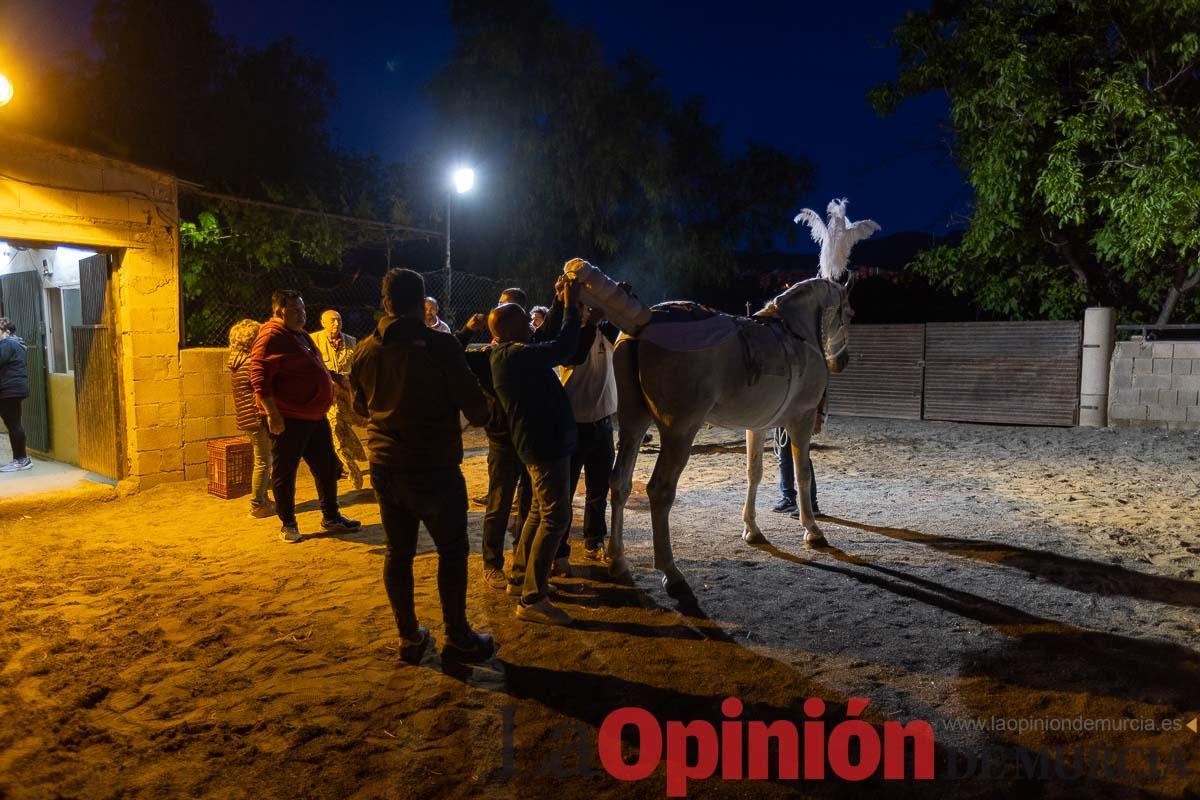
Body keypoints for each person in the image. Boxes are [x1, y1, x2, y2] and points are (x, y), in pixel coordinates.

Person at [350, 268, 495, 663]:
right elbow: (477, 411)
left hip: (385, 465)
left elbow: (360, 408)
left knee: (398, 552)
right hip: (435, 467)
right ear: (422, 302)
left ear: (386, 303)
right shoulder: (441, 346)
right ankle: (458, 636)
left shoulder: (364, 350)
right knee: (452, 549)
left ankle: (409, 637)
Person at [489, 279, 581, 625]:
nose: (532, 323)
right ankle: (533, 598)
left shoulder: (511, 353)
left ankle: (519, 578)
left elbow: (545, 337)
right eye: (526, 320)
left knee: (539, 513)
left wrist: (557, 301)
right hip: (544, 445)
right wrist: (571, 308)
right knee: (556, 517)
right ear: (512, 330)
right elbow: (563, 347)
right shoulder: (515, 356)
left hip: (539, 443)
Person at [250, 290, 361, 542]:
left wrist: (334, 377)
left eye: (303, 309)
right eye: (295, 310)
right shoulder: (271, 335)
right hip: (289, 417)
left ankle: (331, 517)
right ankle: (288, 524)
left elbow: (314, 366)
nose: (302, 315)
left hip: (314, 416)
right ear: (279, 311)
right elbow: (258, 376)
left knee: (327, 467)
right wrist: (273, 414)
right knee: (285, 472)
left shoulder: (299, 335)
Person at [555, 305, 618, 563]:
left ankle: (594, 540)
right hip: (573, 424)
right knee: (565, 492)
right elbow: (576, 355)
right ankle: (559, 549)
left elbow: (626, 310)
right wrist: (591, 322)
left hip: (602, 423)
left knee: (599, 489)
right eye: (583, 306)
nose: (589, 309)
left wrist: (615, 299)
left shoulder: (606, 331)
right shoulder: (567, 335)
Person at [311, 310, 367, 491]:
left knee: (345, 430)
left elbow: (355, 368)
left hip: (346, 396)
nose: (336, 324)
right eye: (332, 321)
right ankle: (352, 469)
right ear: (323, 322)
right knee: (335, 430)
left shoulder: (350, 341)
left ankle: (345, 463)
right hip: (327, 396)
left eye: (339, 320)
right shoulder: (314, 340)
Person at [228, 319, 273, 516]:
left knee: (263, 459)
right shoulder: (251, 363)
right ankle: (258, 504)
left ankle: (263, 498)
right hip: (256, 417)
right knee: (263, 461)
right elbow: (261, 392)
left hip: (248, 418)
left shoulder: (237, 361)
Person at [0, 317, 32, 473]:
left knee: (14, 424)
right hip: (12, 389)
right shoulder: (16, 343)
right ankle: (21, 459)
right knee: (14, 424)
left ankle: (21, 460)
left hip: (9, 390)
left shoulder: (7, 344)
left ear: (6, 332)